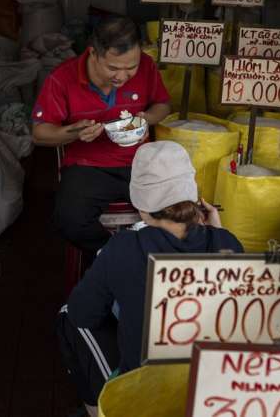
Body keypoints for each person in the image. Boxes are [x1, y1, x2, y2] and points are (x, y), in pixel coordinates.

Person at [56, 141, 244, 415]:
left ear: (141, 206)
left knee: (68, 316)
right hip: (212, 392)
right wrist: (221, 236)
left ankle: (101, 410)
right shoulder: (228, 243)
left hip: (148, 394)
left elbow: (83, 314)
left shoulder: (123, 247)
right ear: (194, 198)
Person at [31, 16, 171, 253]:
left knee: (177, 212)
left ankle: (138, 256)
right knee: (70, 221)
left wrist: (145, 119)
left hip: (139, 162)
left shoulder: (147, 66)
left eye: (131, 68)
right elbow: (39, 134)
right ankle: (114, 255)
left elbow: (163, 105)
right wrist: (72, 132)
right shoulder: (62, 78)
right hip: (87, 166)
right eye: (113, 68)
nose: (123, 76)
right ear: (93, 54)